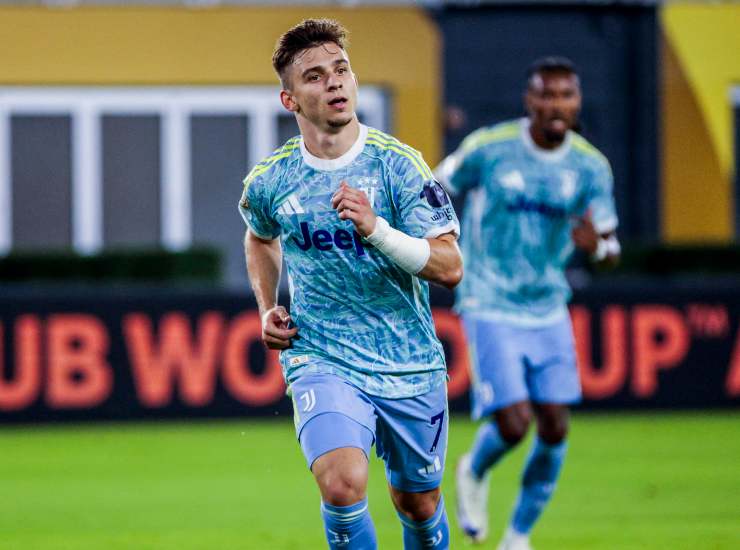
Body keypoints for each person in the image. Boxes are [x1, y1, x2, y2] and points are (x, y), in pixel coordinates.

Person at [239, 19, 462, 550]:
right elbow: (260, 238)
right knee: (342, 485)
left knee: (417, 503)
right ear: (290, 100)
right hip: (322, 355)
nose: (334, 82)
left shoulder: (399, 167)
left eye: (341, 70)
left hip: (408, 361)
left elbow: (450, 266)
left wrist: (376, 229)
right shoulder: (271, 180)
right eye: (315, 76)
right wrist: (267, 306)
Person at [434, 57, 620, 550]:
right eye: (547, 95)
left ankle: (517, 536)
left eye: (566, 95)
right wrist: (437, 242)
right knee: (515, 424)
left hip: (548, 306)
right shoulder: (490, 149)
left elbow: (610, 245)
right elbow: (434, 187)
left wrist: (598, 248)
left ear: (577, 103)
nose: (557, 105)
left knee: (555, 426)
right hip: (488, 298)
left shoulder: (590, 167)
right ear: (530, 101)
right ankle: (474, 469)